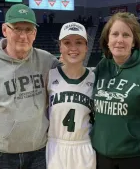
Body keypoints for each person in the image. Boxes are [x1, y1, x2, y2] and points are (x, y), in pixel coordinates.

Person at [0, 4, 60, 169]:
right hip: (2, 156)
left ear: (35, 33)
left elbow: (72, 73)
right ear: (4, 30)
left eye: (28, 30)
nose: (23, 36)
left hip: (40, 153)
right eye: (17, 29)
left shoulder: (47, 61)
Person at [90, 12, 140, 169]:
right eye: (115, 34)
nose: (119, 40)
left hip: (133, 158)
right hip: (99, 157)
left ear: (134, 41)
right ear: (107, 40)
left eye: (126, 35)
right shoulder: (102, 67)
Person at [46, 22, 96, 169]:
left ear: (86, 47)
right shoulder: (49, 76)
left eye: (79, 42)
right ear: (60, 47)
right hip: (55, 147)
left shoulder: (94, 79)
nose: (73, 48)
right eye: (67, 42)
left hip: (84, 147)